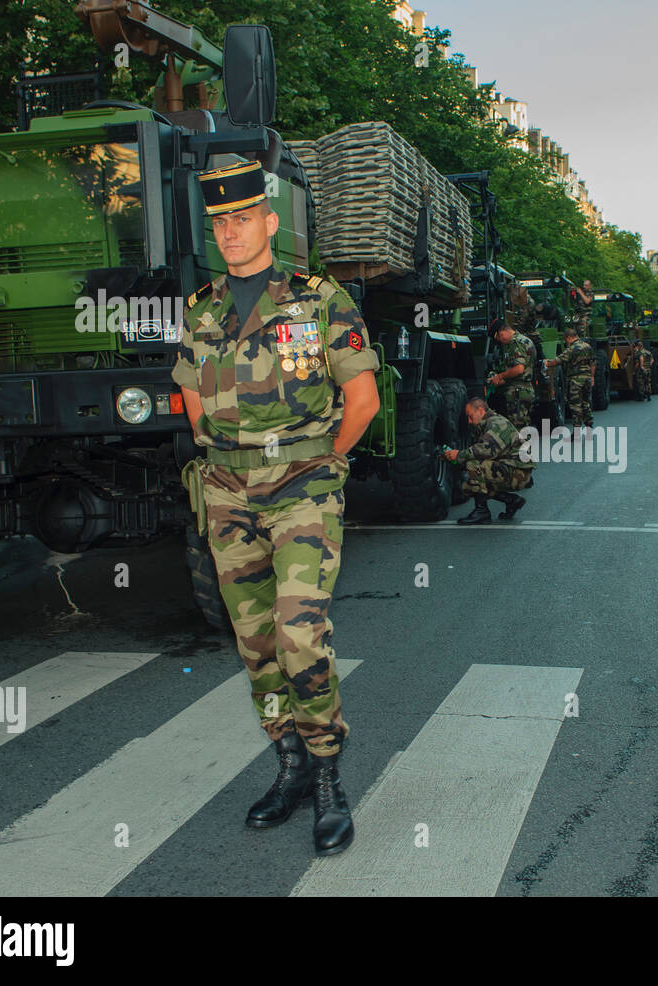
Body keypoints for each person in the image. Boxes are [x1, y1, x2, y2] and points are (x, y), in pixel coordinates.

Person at [172, 160, 380, 856]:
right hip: (228, 495)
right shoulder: (201, 310)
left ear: (268, 222)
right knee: (258, 648)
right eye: (219, 223)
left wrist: (327, 462)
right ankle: (288, 762)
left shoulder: (320, 300)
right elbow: (192, 399)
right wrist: (222, 455)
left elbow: (364, 401)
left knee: (298, 634)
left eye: (242, 219)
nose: (231, 232)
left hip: (302, 493)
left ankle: (327, 775)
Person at [444, 397, 532, 523]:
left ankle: (482, 512)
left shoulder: (497, 424)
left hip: (519, 473)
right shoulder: (487, 424)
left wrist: (459, 455)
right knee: (468, 486)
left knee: (473, 465)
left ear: (480, 411)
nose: (469, 421)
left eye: (470, 416)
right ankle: (511, 500)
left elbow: (486, 450)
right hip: (511, 468)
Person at [487, 314, 536, 434]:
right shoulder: (521, 341)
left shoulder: (516, 343)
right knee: (522, 427)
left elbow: (519, 369)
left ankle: (523, 452)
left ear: (502, 332)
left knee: (518, 430)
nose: (499, 340)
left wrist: (500, 376)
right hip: (521, 390)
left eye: (498, 337)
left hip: (518, 392)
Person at [545, 327, 596, 433]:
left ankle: (577, 430)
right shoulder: (588, 346)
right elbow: (593, 363)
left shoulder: (572, 349)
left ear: (568, 338)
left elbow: (558, 360)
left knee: (575, 405)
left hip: (576, 380)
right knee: (586, 403)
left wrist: (547, 363)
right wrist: (592, 376)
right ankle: (589, 426)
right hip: (586, 379)